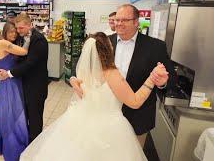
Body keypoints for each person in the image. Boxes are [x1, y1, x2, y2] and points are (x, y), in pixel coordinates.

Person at [20, 32, 168, 161]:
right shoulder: (112, 74)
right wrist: (151, 79)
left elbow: (82, 87)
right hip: (110, 127)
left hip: (82, 122)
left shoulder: (85, 72)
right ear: (108, 50)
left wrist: (72, 80)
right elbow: (135, 102)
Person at [71, 4, 175, 149]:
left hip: (138, 117)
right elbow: (84, 64)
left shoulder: (155, 46)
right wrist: (74, 79)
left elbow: (171, 79)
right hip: (105, 116)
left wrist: (163, 82)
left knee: (132, 154)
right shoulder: (105, 42)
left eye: (125, 20)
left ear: (136, 22)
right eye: (117, 20)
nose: (119, 23)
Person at [0, 12, 49, 142]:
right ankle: (25, 142)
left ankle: (35, 147)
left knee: (35, 118)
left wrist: (9, 73)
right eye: (16, 28)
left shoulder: (39, 40)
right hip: (22, 85)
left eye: (21, 28)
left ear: (29, 25)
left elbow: (30, 63)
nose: (18, 32)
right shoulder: (21, 38)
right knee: (24, 115)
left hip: (36, 87)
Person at [0, 22, 29, 160]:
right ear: (5, 32)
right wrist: (30, 37)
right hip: (8, 85)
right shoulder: (2, 43)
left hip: (14, 82)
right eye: (11, 31)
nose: (13, 34)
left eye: (15, 31)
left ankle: (17, 138)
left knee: (15, 112)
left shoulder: (9, 43)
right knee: (10, 114)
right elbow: (24, 51)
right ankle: (12, 146)